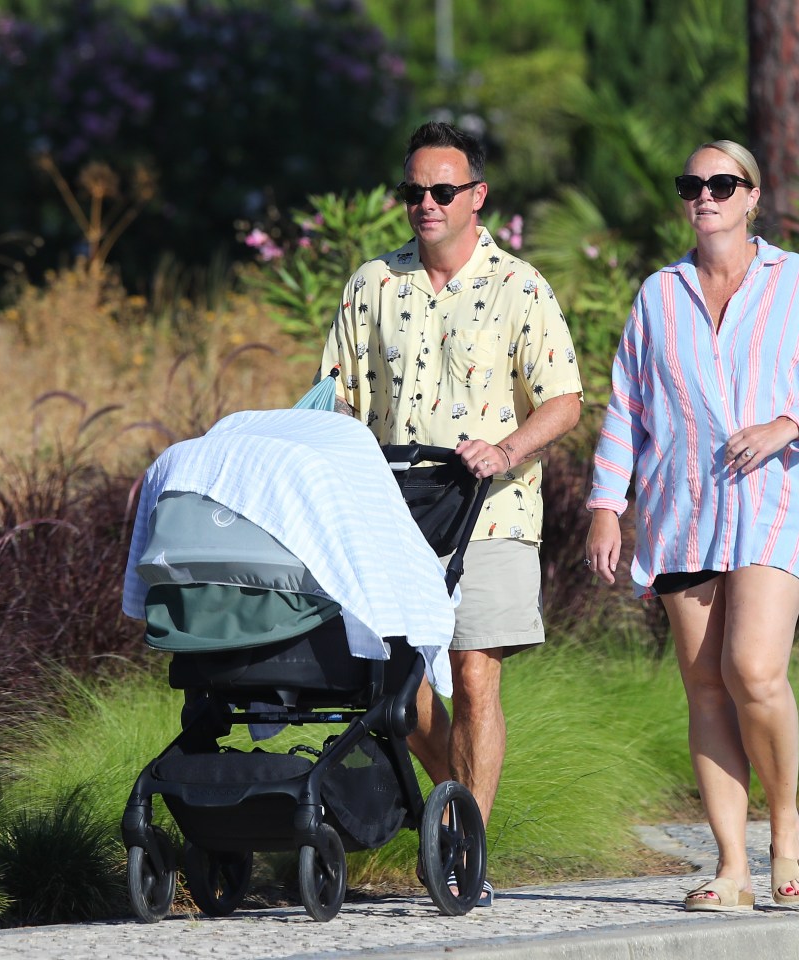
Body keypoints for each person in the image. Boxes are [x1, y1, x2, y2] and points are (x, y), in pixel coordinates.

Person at [585, 139, 799, 912]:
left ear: (752, 196)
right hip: (681, 515)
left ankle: (786, 830)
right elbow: (627, 409)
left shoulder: (796, 282)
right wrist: (608, 505)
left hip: (772, 507)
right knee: (706, 689)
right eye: (691, 184)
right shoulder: (659, 294)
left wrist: (788, 424)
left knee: (753, 670)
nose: (704, 195)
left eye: (720, 183)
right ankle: (732, 866)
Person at [320, 120, 583, 905]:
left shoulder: (521, 286)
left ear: (478, 197)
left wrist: (504, 449)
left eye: (441, 191)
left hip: (493, 513)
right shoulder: (374, 283)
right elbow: (337, 399)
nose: (424, 205)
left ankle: (468, 857)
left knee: (476, 680)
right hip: (393, 516)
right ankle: (453, 811)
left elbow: (564, 401)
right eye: (413, 192)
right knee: (398, 690)